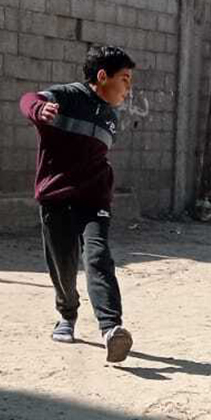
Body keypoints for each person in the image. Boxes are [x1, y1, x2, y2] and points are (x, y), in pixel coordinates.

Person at [18, 45, 137, 362]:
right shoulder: (68, 97)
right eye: (124, 79)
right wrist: (37, 111)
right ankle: (67, 313)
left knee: (98, 258)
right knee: (63, 265)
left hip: (94, 200)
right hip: (56, 198)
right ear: (102, 77)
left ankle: (112, 329)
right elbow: (29, 99)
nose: (129, 88)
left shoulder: (111, 117)